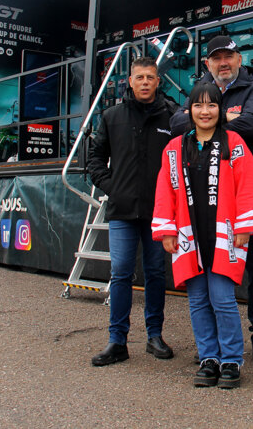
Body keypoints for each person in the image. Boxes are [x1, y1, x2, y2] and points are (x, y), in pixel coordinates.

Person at [153, 82, 253, 389]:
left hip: (224, 234)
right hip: (188, 235)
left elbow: (248, 186)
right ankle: (209, 357)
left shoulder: (233, 142)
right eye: (198, 105)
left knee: (222, 299)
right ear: (189, 110)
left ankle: (232, 359)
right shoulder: (175, 147)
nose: (205, 111)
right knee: (197, 300)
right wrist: (167, 229)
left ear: (220, 110)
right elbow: (165, 190)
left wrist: (246, 228)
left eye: (212, 105)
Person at [87, 56, 178, 367]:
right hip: (123, 211)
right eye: (139, 77)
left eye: (150, 77)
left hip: (159, 213)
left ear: (157, 81)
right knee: (121, 273)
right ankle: (118, 341)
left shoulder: (172, 116)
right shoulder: (112, 116)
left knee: (155, 273)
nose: (145, 82)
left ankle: (155, 336)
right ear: (129, 81)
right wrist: (114, 188)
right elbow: (94, 160)